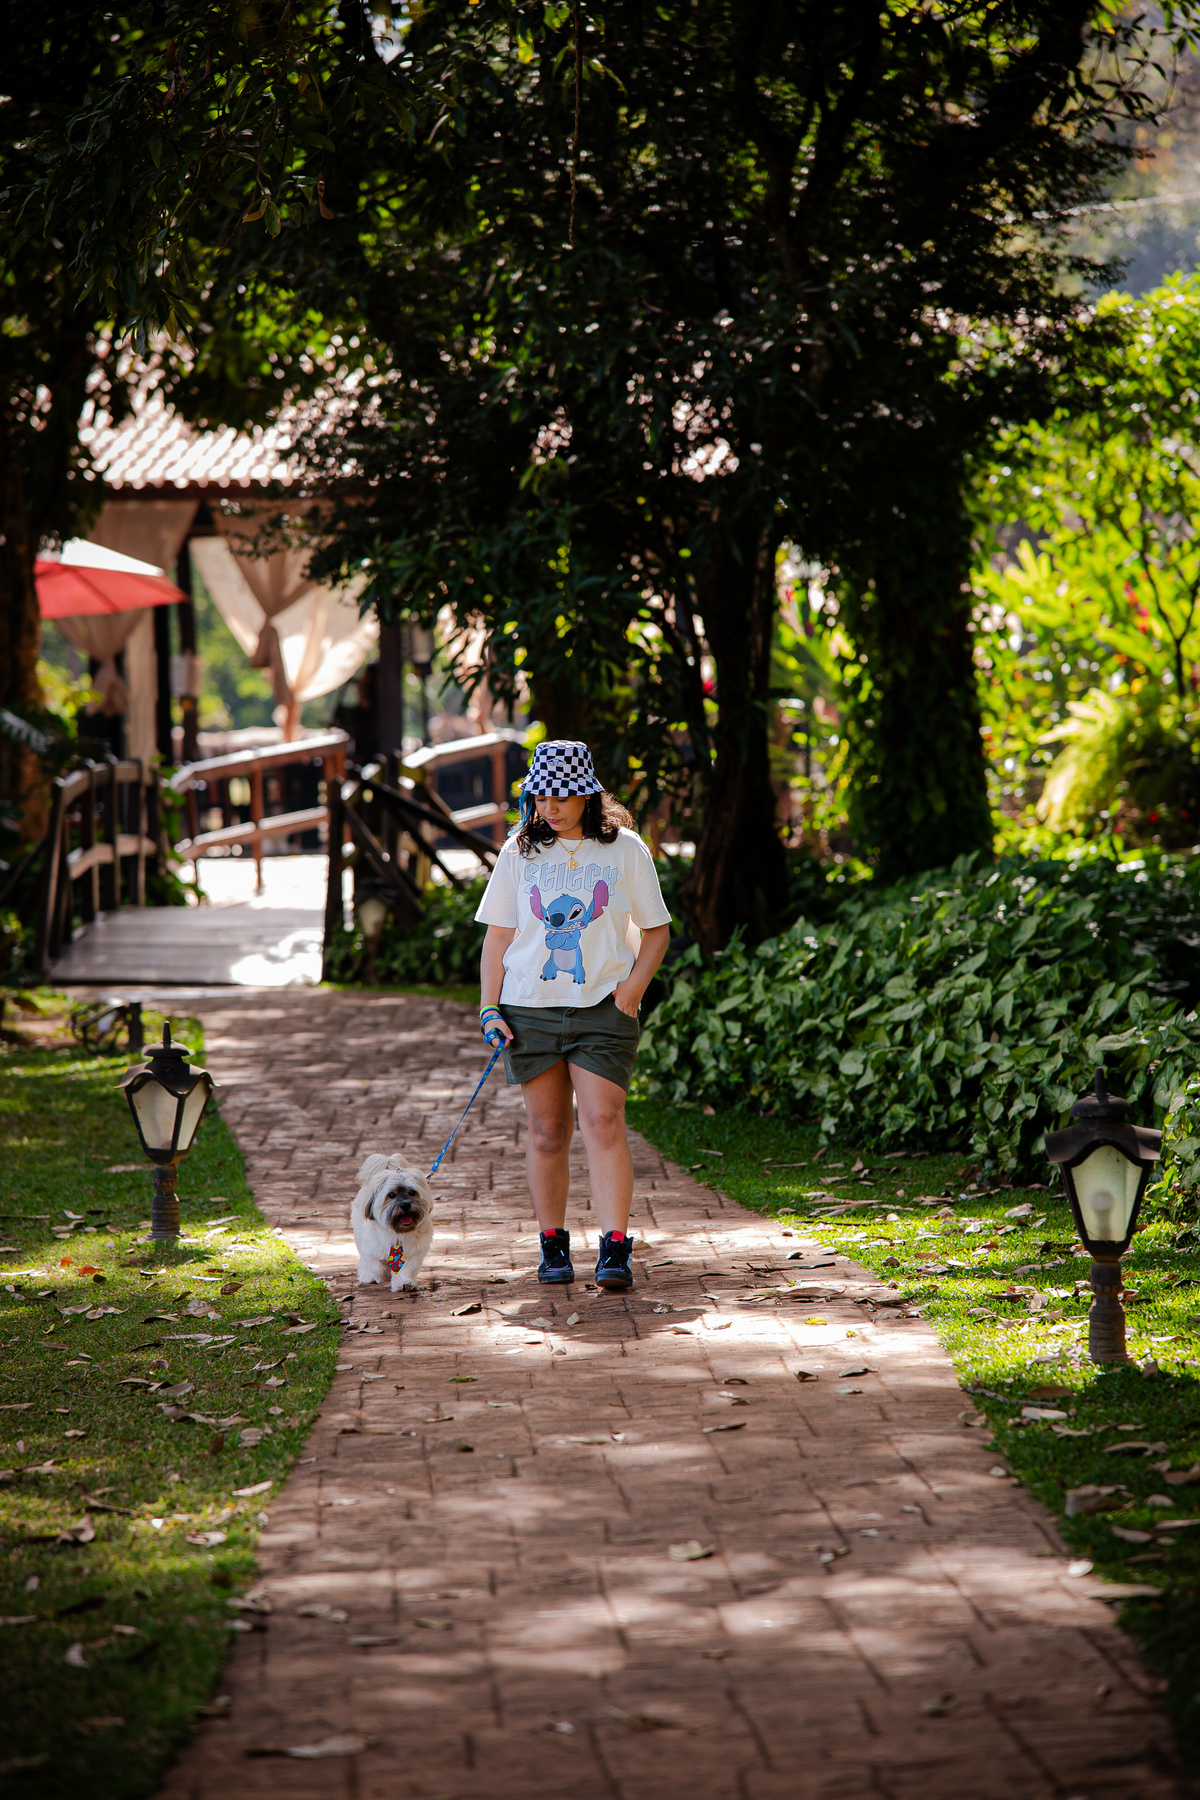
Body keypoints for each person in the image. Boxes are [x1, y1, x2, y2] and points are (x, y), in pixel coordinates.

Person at [475, 740, 672, 1290]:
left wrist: (631, 991)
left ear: (588, 795)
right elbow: (498, 937)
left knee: (603, 1121)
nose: (551, 807)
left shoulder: (625, 850)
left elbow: (657, 931)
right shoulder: (519, 852)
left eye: (561, 797)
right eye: (541, 797)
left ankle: (614, 1249)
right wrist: (489, 1006)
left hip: (604, 1010)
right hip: (529, 1012)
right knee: (547, 1132)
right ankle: (553, 1246)